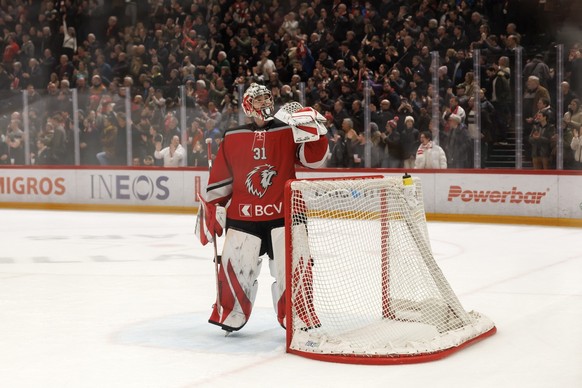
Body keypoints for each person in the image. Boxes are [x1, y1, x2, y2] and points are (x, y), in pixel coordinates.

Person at [196, 83, 328, 333]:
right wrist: (214, 207)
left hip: (285, 215)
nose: (265, 103)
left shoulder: (289, 130)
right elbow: (221, 179)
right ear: (247, 105)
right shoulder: (234, 136)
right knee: (236, 267)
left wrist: (315, 130)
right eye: (258, 100)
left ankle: (297, 314)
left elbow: (315, 160)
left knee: (293, 269)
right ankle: (231, 311)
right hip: (244, 217)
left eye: (267, 97)